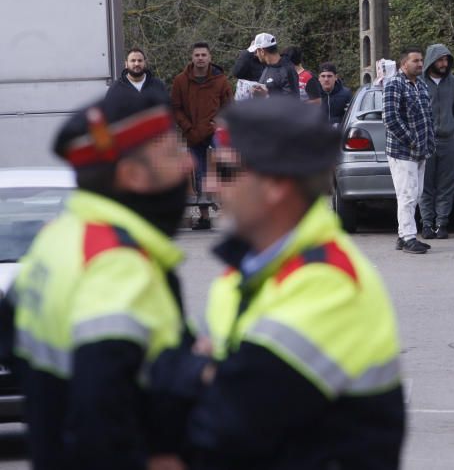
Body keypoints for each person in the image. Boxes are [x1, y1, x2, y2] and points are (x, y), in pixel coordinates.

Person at [185, 97, 405, 469]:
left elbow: (221, 431)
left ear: (274, 185)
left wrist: (200, 373)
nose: (209, 186)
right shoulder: (243, 270)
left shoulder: (330, 283)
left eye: (224, 172)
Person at [2, 92, 193, 470]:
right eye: (171, 153)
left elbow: (10, 340)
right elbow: (99, 413)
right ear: (132, 176)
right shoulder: (118, 265)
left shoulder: (58, 239)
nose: (188, 162)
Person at [171, 42, 234, 230]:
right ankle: (204, 216)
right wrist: (188, 128)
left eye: (203, 55)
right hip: (193, 132)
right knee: (198, 173)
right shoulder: (180, 81)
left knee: (227, 163)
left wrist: (219, 124)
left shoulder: (221, 80)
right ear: (192, 57)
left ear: (210, 57)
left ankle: (230, 210)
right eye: (197, 55)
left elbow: (229, 106)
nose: (200, 58)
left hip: (214, 130)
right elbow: (176, 108)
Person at [382, 47, 435, 254]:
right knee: (407, 194)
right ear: (404, 64)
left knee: (416, 193)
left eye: (421, 60)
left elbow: (427, 117)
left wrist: (428, 143)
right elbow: (390, 118)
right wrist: (411, 140)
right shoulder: (394, 84)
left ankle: (403, 235)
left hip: (422, 150)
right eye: (415, 61)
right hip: (403, 151)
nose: (420, 64)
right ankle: (409, 237)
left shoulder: (421, 85)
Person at [419, 44, 454, 240]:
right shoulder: (418, 83)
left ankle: (442, 224)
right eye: (440, 60)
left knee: (446, 186)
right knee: (425, 186)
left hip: (449, 142)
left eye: (446, 60)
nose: (444, 64)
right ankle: (427, 224)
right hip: (425, 142)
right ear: (431, 60)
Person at [248, 33, 298, 97]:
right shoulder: (268, 66)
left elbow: (293, 102)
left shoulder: (287, 69)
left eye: (256, 51)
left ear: (262, 51)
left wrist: (266, 96)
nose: (256, 55)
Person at [317, 62, 353, 128]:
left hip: (339, 134)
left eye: (329, 76)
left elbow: (351, 117)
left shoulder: (346, 94)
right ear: (319, 78)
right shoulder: (314, 95)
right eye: (323, 76)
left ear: (336, 77)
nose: (326, 79)